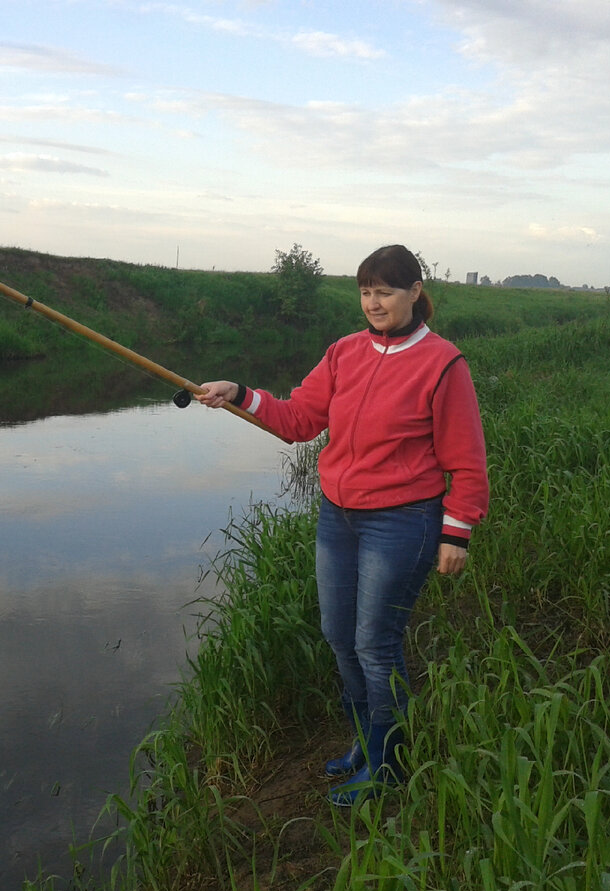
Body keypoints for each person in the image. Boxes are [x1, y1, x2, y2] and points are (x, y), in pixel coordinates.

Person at [195, 244, 489, 807]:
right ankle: (367, 741)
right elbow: (299, 419)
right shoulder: (344, 353)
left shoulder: (443, 361)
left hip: (403, 522)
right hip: (339, 516)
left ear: (414, 293)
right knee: (339, 637)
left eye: (385, 291)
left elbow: (467, 459)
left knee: (375, 644)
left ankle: (390, 765)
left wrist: (458, 530)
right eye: (365, 291)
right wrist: (240, 395)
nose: (373, 302)